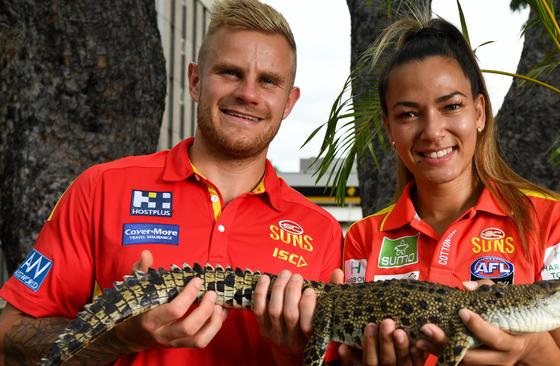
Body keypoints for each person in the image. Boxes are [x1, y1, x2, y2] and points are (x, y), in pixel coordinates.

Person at [0, 0, 343, 365]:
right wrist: (120, 337)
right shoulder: (101, 188)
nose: (248, 94)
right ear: (195, 81)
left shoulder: (321, 231)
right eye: (229, 72)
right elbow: (8, 338)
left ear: (289, 103)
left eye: (269, 81)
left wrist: (292, 353)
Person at [339, 13, 560, 366]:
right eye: (409, 114)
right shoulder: (363, 237)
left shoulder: (551, 220)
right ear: (388, 127)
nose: (432, 131)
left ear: (479, 112)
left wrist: (530, 349)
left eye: (452, 106)